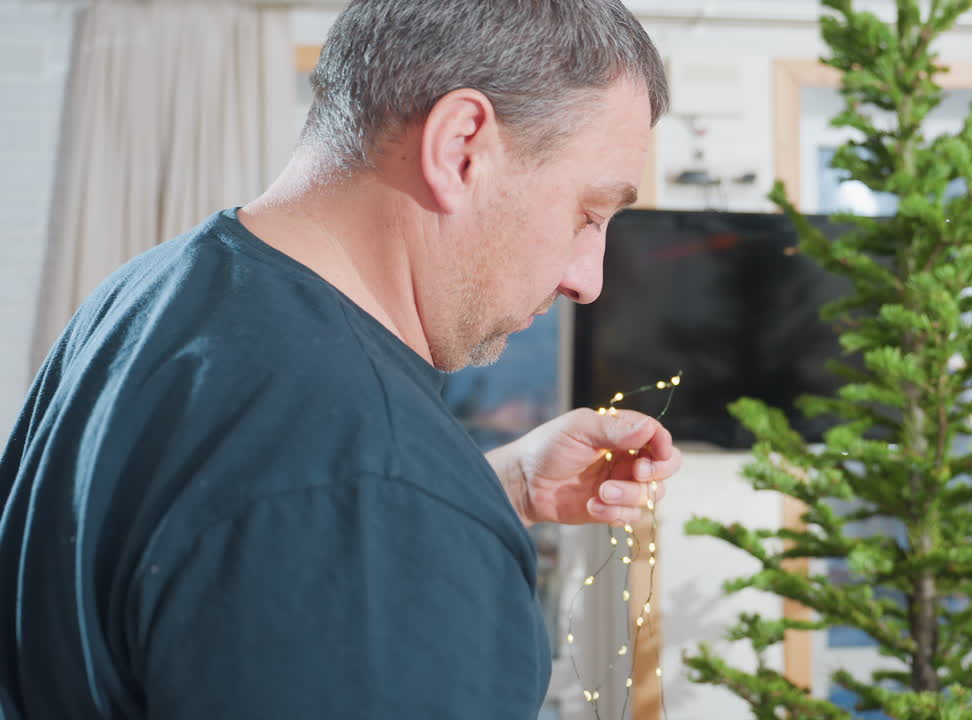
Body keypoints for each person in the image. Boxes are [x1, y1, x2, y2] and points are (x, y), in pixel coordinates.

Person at [0, 0, 677, 717]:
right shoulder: (371, 490)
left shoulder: (146, 298)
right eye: (588, 213)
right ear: (460, 147)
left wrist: (486, 489)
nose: (588, 278)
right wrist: (421, 508)